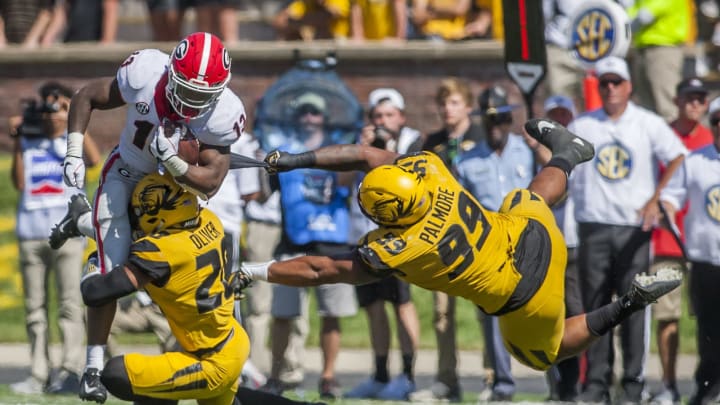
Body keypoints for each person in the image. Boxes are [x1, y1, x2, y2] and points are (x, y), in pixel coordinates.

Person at [237, 118, 683, 382]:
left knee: (539, 353)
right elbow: (365, 154)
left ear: (388, 217)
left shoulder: (403, 247)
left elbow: (319, 270)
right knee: (528, 197)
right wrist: (296, 160)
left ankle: (628, 303)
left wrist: (253, 271)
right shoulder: (428, 169)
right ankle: (567, 153)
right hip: (533, 233)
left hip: (526, 292)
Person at [49, 31, 248, 402]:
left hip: (177, 186)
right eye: (184, 88)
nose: (189, 102)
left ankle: (80, 221)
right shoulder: (144, 71)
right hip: (127, 170)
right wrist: (74, 151)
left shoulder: (224, 114)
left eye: (201, 96)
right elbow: (87, 95)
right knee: (115, 260)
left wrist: (174, 163)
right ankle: (92, 366)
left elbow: (212, 182)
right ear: (170, 72)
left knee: (186, 268)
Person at [76, 171, 326, 405]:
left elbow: (96, 292)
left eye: (142, 211)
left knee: (118, 374)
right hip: (231, 340)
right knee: (156, 380)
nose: (137, 219)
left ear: (161, 215)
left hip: (211, 359)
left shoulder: (162, 252)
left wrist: (97, 259)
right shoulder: (209, 220)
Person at [568, 56, 688, 404]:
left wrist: (658, 199)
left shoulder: (646, 123)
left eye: (616, 82)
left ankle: (632, 384)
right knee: (595, 308)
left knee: (634, 308)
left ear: (628, 86)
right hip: (594, 226)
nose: (610, 89)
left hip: (633, 229)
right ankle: (596, 383)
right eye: (604, 83)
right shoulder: (585, 124)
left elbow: (677, 156)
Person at [260, 92, 358, 400]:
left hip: (333, 243)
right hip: (293, 243)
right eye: (302, 112)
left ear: (324, 118)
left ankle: (328, 377)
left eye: (314, 113)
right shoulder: (283, 150)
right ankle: (276, 375)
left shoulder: (338, 149)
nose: (308, 118)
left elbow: (345, 183)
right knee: (283, 313)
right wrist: (264, 159)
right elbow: (263, 194)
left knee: (331, 314)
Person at [9, 81, 101, 395]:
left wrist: (74, 119)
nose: (52, 115)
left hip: (68, 235)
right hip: (31, 233)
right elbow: (20, 183)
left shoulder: (72, 143)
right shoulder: (31, 139)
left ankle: (71, 370)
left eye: (59, 107)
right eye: (49, 107)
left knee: (70, 305)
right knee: (35, 309)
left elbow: (94, 160)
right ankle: (38, 372)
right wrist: (20, 139)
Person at [453, 85, 533, 402]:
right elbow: (461, 206)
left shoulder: (527, 150)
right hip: (489, 246)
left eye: (500, 120)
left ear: (509, 120)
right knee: (493, 317)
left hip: (527, 240)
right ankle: (503, 383)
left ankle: (561, 384)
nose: (495, 127)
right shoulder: (467, 159)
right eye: (489, 122)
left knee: (541, 312)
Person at [343, 88, 421, 400]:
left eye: (389, 115)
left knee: (401, 304)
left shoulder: (413, 143)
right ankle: (380, 374)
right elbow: (340, 182)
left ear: (401, 117)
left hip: (398, 238)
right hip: (363, 235)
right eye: (377, 116)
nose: (383, 121)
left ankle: (409, 374)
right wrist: (360, 151)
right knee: (373, 306)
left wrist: (385, 149)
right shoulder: (361, 143)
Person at [413, 77, 484, 402]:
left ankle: (492, 377)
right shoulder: (432, 142)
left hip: (478, 233)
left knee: (486, 308)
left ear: (467, 106)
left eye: (454, 103)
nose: (447, 109)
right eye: (443, 103)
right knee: (441, 313)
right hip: (442, 235)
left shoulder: (482, 137)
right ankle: (446, 379)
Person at [649, 77, 713, 405]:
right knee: (667, 315)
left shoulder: (709, 136)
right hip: (667, 239)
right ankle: (669, 384)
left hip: (705, 246)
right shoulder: (662, 135)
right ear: (677, 99)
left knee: (707, 320)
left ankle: (708, 382)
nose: (695, 104)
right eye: (689, 97)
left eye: (701, 98)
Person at [662, 96, 720, 405]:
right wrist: (669, 211)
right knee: (708, 330)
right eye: (718, 121)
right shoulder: (696, 160)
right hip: (705, 259)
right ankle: (708, 387)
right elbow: (672, 196)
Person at [542, 94, 582, 402]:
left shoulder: (581, 154)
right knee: (549, 317)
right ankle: (558, 387)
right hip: (544, 247)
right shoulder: (534, 157)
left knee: (578, 313)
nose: (560, 124)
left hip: (576, 246)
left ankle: (579, 385)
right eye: (553, 119)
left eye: (564, 118)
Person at [626, 0, 690, 121]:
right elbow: (631, 14)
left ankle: (672, 139)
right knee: (645, 109)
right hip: (642, 50)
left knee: (667, 106)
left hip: (663, 49)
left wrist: (629, 20)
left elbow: (645, 16)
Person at [272, 0, 350, 41]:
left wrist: (323, 3)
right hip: (319, 44)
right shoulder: (307, 3)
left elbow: (332, 15)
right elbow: (279, 21)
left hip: (341, 41)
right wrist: (298, 26)